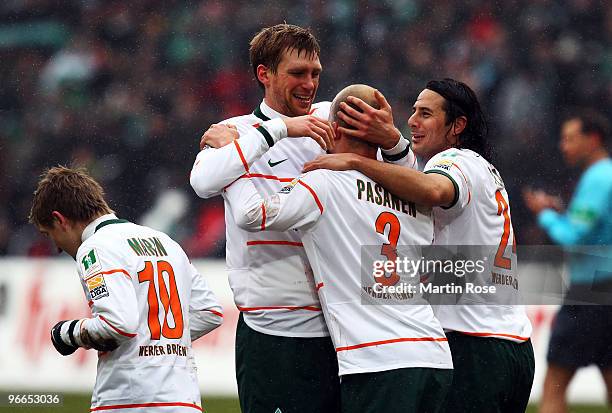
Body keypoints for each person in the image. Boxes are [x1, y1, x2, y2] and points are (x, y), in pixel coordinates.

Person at [189, 24, 413, 413]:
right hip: (273, 330)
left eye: (315, 74)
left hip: (340, 328)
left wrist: (393, 140)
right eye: (297, 73)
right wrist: (279, 130)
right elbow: (202, 181)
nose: (309, 84)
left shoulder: (332, 120)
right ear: (265, 74)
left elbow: (405, 183)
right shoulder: (237, 131)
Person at [303, 78, 534, 412]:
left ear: (458, 125)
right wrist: (392, 142)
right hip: (512, 344)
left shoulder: (452, 161)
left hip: (473, 344)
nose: (412, 121)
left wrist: (357, 161)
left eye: (425, 114)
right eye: (413, 111)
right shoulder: (484, 169)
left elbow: (431, 191)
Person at [224, 84, 453, 413]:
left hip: (378, 361)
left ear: (332, 128)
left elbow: (253, 213)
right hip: (434, 356)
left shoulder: (324, 182)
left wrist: (234, 163)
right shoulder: (413, 191)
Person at [29, 166, 223, 412]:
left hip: (128, 399)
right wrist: (156, 341)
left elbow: (118, 324)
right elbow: (210, 312)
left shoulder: (96, 248)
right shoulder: (165, 242)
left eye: (50, 234)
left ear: (59, 219)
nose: (56, 246)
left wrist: (69, 332)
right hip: (184, 399)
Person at [523, 110, 612, 413]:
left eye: (570, 139)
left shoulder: (599, 178)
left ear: (594, 139)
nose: (563, 146)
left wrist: (544, 214)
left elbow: (574, 238)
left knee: (553, 387)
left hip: (591, 291)